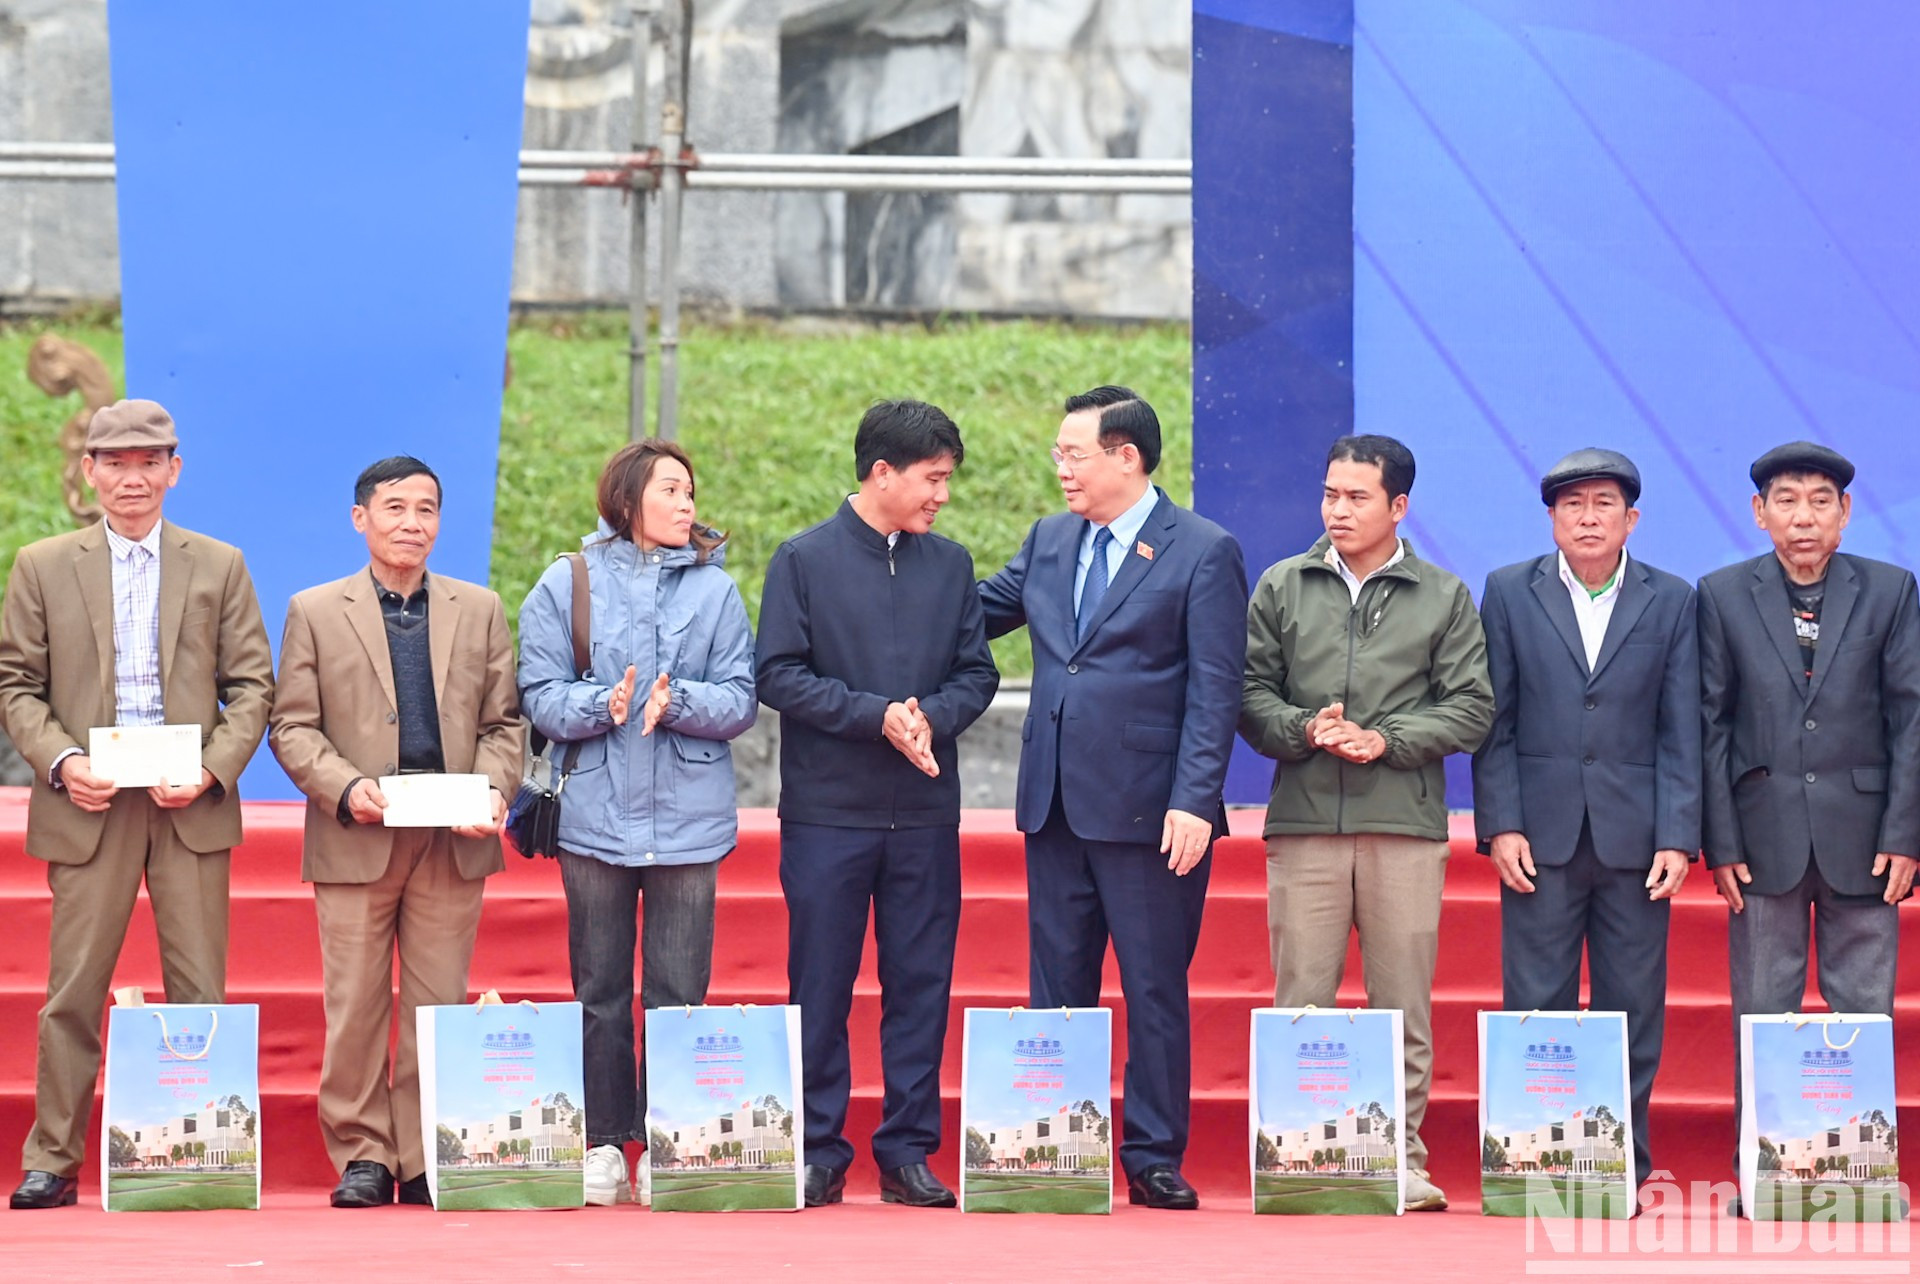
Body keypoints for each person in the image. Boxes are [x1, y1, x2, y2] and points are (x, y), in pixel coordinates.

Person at [0, 399, 274, 1210]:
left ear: (174, 470)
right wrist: (61, 760)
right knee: (73, 992)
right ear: (89, 471)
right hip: (88, 805)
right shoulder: (43, 564)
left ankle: (204, 1156)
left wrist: (212, 769)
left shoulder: (218, 564)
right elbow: (16, 684)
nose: (132, 478)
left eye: (148, 461)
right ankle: (53, 1156)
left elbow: (254, 685)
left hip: (186, 803)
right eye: (114, 462)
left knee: (201, 991)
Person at [979, 385, 1246, 1210]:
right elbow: (978, 612)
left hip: (1152, 810)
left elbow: (1215, 687)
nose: (1061, 467)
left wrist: (1196, 800)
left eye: (1074, 453)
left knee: (1154, 986)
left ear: (1126, 456)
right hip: (1054, 801)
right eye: (1059, 453)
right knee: (1055, 985)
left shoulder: (1201, 549)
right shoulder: (1051, 540)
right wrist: (883, 567)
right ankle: (1057, 1143)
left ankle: (1154, 1154)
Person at [1239, 433, 1492, 1212]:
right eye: (1329, 495)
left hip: (1403, 826)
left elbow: (1473, 706)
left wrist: (1388, 740)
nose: (1338, 510)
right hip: (1305, 823)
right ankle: (1298, 1156)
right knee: (1300, 1003)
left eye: (1356, 498)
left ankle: (1402, 1162)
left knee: (1401, 1007)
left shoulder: (1442, 595)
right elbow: (1250, 695)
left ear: (1399, 506)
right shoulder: (1284, 585)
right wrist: (1304, 728)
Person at [757, 400, 998, 1209]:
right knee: (818, 986)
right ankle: (820, 1146)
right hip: (828, 815)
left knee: (920, 985)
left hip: (925, 815)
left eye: (948, 481)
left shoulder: (952, 565)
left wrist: (931, 714)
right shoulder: (804, 560)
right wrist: (875, 715)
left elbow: (978, 673)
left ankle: (906, 1150)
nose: (942, 497)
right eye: (933, 480)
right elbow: (779, 674)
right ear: (881, 472)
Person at [268, 456, 524, 1208]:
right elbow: (292, 725)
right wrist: (347, 788)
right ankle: (362, 1153)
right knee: (353, 1005)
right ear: (361, 519)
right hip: (358, 830)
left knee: (436, 1003)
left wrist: (491, 790)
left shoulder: (478, 609)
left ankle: (419, 1154)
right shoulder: (315, 609)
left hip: (452, 835)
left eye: (426, 510)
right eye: (395, 508)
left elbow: (504, 724)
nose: (412, 523)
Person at [517, 439, 756, 1206]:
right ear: (626, 500)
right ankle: (602, 1140)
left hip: (690, 821)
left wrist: (676, 699)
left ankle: (667, 1139)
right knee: (600, 988)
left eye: (691, 492)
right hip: (593, 814)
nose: (688, 504)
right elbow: (539, 695)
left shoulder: (717, 593)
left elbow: (743, 698)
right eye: (671, 491)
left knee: (680, 988)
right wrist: (603, 706)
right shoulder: (566, 582)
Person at [1471, 448, 1699, 1189]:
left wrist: (1678, 834)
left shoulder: (1672, 599)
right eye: (1573, 504)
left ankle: (1620, 1160)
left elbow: (1681, 728)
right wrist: (1500, 823)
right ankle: (1535, 1160)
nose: (1588, 516)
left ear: (1632, 519)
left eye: (1604, 504)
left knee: (1633, 1006)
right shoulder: (1509, 591)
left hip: (1637, 840)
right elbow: (1494, 719)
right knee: (1536, 1002)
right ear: (1552, 519)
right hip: (1539, 835)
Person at [1698, 442, 1920, 1151]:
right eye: (1786, 501)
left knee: (1863, 1012)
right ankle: (1765, 1168)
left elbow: (1911, 716)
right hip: (1762, 841)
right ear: (1759, 513)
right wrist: (1722, 842)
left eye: (1820, 501)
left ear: (1846, 514)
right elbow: (1709, 723)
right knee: (1761, 1011)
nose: (1804, 517)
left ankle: (1858, 1162)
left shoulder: (1890, 590)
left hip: (1867, 840)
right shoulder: (1723, 594)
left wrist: (1906, 833)